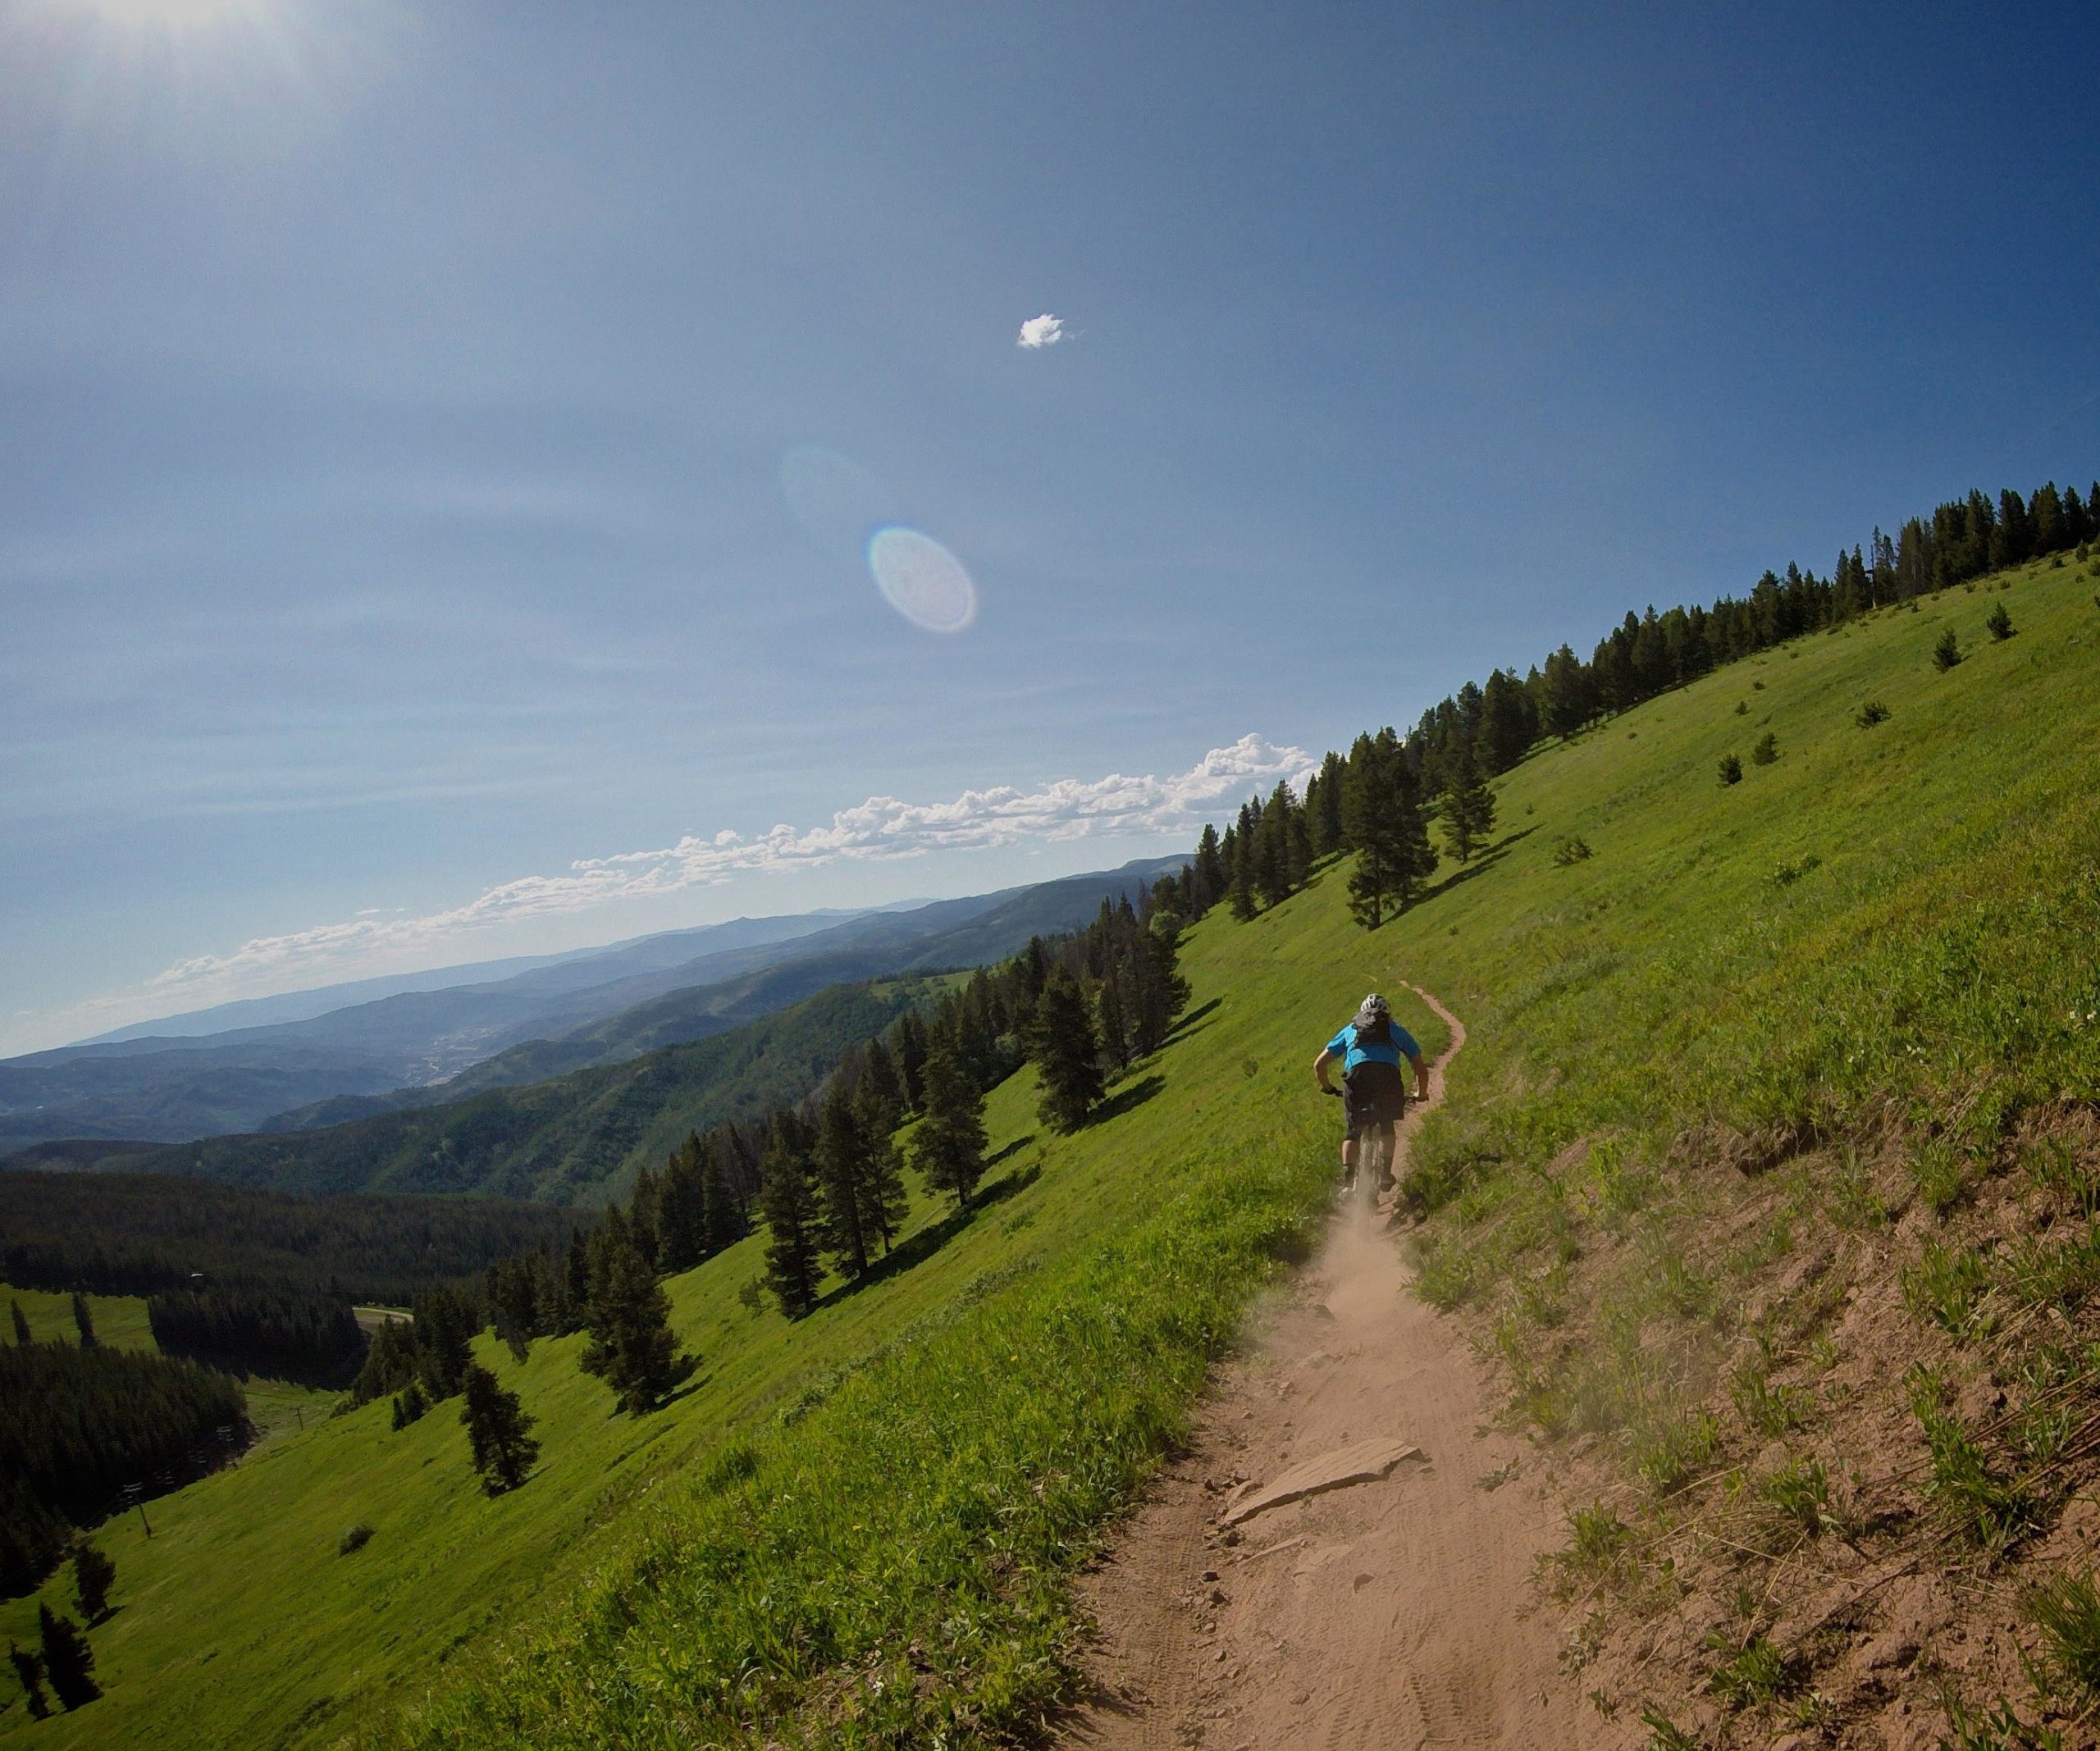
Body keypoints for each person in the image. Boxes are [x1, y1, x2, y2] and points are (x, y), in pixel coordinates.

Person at [1313, 993, 1427, 1193]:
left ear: (1362, 1012)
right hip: (1388, 1077)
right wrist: (1421, 1093)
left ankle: (1348, 1184)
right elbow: (1420, 1067)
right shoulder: (1396, 1029)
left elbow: (1319, 1064)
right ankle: (1385, 1173)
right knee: (1386, 1125)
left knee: (1353, 1131)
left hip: (1357, 1078)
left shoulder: (1351, 1029)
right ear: (1388, 1014)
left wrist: (1327, 1086)